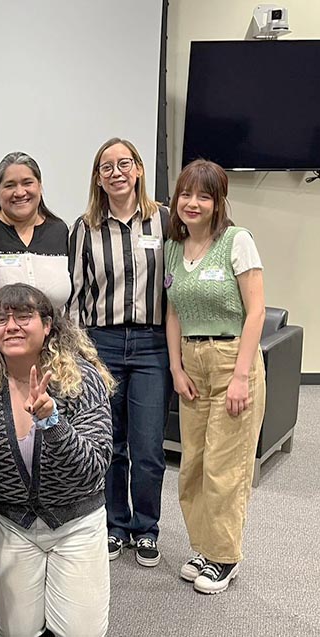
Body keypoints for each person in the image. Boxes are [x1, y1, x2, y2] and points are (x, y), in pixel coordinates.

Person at [0, 283, 114, 637]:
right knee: (14, 632)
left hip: (75, 522)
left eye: (24, 316)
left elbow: (94, 468)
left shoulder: (81, 379)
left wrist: (52, 423)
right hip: (10, 522)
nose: (12, 326)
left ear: (48, 325)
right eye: (1, 318)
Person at [67, 137, 172, 566]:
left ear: (139, 169)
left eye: (123, 163)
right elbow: (74, 296)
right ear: (98, 177)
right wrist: (78, 354)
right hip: (102, 344)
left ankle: (146, 527)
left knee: (148, 446)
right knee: (109, 443)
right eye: (106, 167)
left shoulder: (165, 221)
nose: (116, 172)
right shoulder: (85, 227)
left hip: (152, 344)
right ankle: (114, 524)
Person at [165, 159, 265, 595]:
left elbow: (257, 310)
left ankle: (225, 557)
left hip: (231, 361)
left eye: (204, 195)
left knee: (226, 467)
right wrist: (175, 367)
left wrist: (241, 375)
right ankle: (204, 546)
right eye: (186, 194)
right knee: (194, 467)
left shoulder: (237, 241)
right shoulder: (174, 246)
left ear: (217, 201)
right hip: (191, 363)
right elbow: (173, 311)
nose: (193, 203)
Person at [0, 151, 70, 310]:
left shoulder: (59, 230)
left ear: (39, 186)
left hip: (55, 333)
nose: (19, 192)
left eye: (27, 183)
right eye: (10, 185)